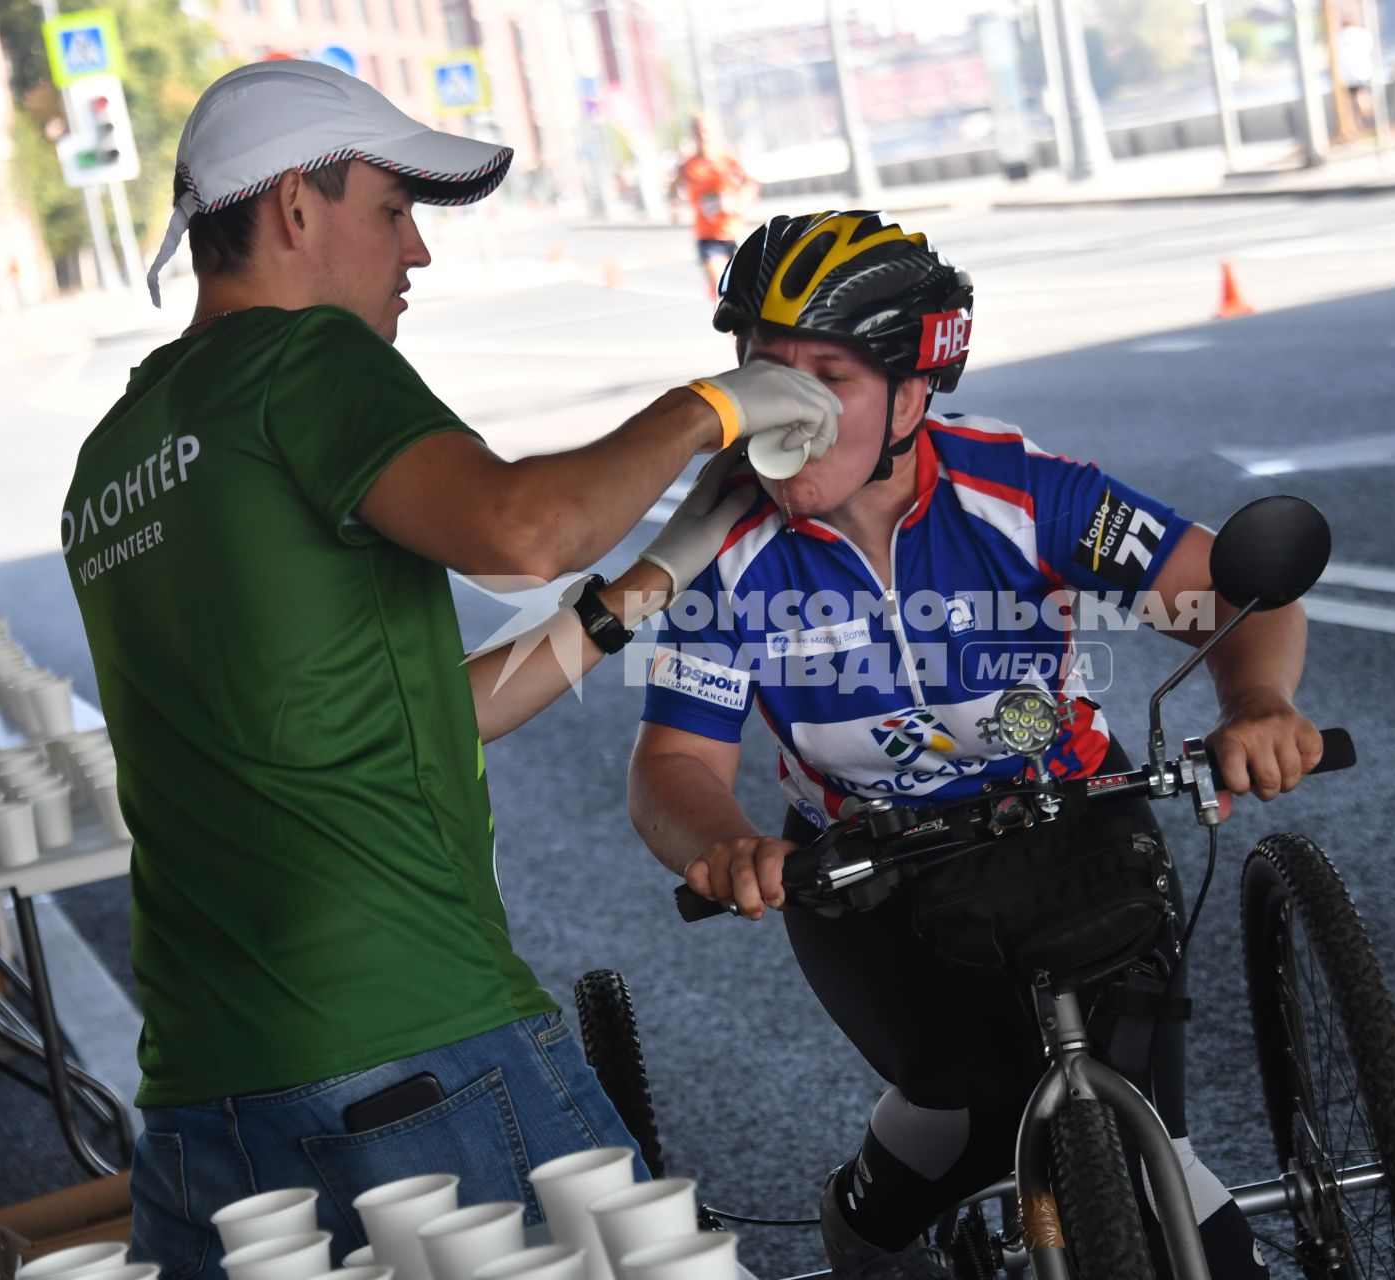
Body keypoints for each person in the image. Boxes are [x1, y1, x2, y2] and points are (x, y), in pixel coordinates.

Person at [61, 61, 839, 1277]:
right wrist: (715, 406)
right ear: (293, 210)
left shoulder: (114, 458)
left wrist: (674, 556)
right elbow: (524, 530)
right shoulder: (301, 361)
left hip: (205, 1098)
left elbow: (412, 716)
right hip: (408, 1039)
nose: (416, 253)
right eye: (392, 210)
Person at [628, 212, 1323, 1278]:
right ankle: (872, 1213)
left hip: (1072, 830)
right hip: (866, 875)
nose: (784, 411)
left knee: (1145, 1133)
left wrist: (1259, 702)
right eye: (764, 371)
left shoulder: (1025, 490)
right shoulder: (721, 550)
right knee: (968, 1108)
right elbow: (673, 765)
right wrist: (724, 845)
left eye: (829, 375)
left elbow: (1234, 596)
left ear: (913, 394)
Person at [669, 113, 758, 301]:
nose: (703, 134)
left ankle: (746, 327)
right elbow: (673, 188)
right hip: (708, 238)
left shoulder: (728, 160)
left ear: (715, 132)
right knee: (722, 289)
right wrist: (674, 205)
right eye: (699, 130)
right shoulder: (688, 166)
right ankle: (729, 324)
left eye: (707, 129)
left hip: (734, 233)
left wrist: (739, 202)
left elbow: (751, 184)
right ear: (693, 133)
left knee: (747, 292)